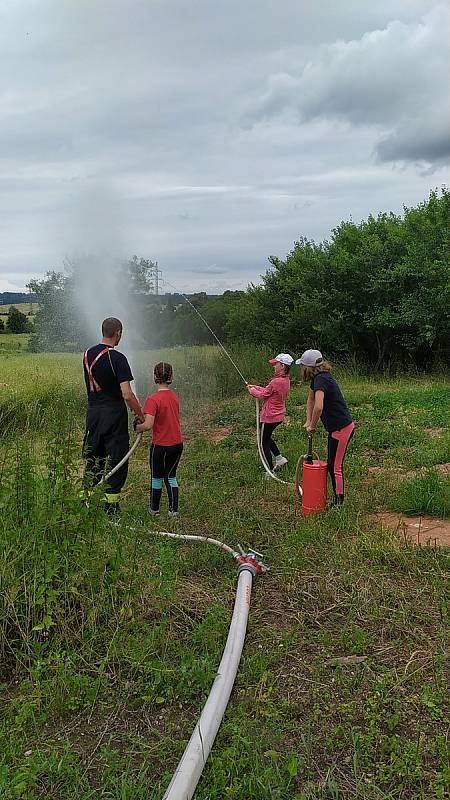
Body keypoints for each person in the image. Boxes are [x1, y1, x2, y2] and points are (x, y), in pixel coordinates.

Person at [83, 317, 144, 515]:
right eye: (121, 333)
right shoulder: (117, 358)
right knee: (117, 459)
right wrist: (140, 413)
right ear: (117, 332)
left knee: (94, 457)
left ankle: (88, 503)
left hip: (93, 414)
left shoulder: (87, 354)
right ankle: (111, 508)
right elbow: (127, 393)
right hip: (113, 415)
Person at [297, 349, 355, 507]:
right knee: (330, 464)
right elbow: (310, 399)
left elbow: (318, 407)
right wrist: (308, 421)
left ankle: (339, 501)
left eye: (302, 366)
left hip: (342, 429)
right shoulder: (317, 379)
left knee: (335, 466)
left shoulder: (322, 380)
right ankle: (336, 497)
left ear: (308, 367)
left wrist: (313, 426)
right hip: (335, 429)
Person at [135, 361, 183, 516]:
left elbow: (148, 425)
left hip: (160, 446)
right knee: (171, 476)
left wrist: (137, 427)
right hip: (177, 444)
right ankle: (173, 511)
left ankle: (154, 509)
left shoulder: (153, 399)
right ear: (171, 377)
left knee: (157, 477)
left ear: (154, 376)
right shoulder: (174, 397)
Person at [247, 353, 293, 472]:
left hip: (269, 417)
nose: (274, 366)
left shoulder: (276, 382)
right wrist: (256, 387)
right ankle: (279, 458)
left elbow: (263, 395)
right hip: (278, 416)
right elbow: (268, 392)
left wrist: (252, 391)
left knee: (263, 442)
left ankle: (269, 470)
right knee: (267, 437)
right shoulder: (285, 380)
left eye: (276, 364)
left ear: (282, 366)